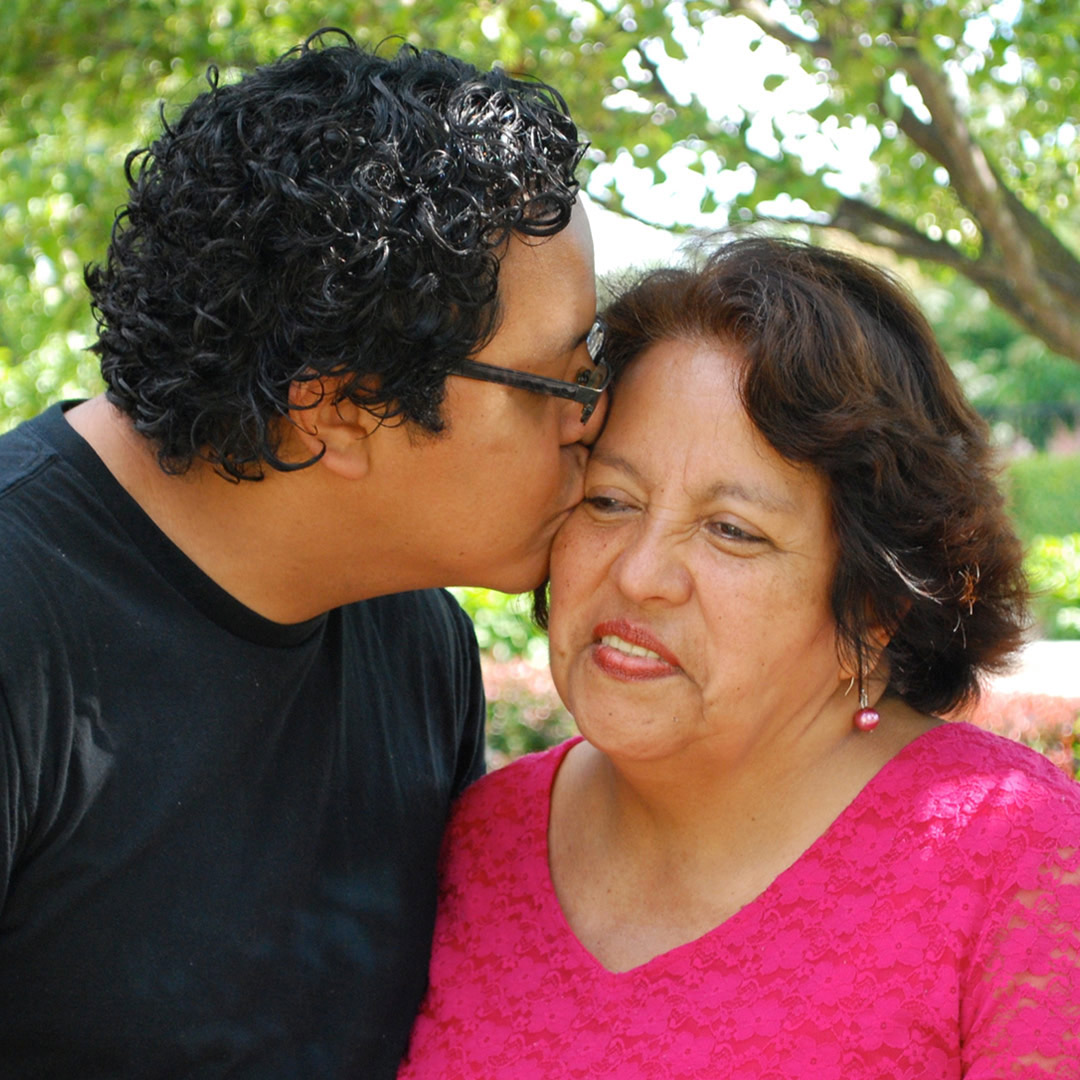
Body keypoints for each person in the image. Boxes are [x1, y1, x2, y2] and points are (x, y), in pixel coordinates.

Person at [0, 28, 610, 1078]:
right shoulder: (21, 618)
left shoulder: (417, 642)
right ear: (335, 406)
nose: (594, 422)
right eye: (559, 384)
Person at [398, 237, 1080, 1078]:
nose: (641, 575)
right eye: (610, 500)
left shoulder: (1022, 860)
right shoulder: (478, 838)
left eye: (732, 531)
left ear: (875, 609)